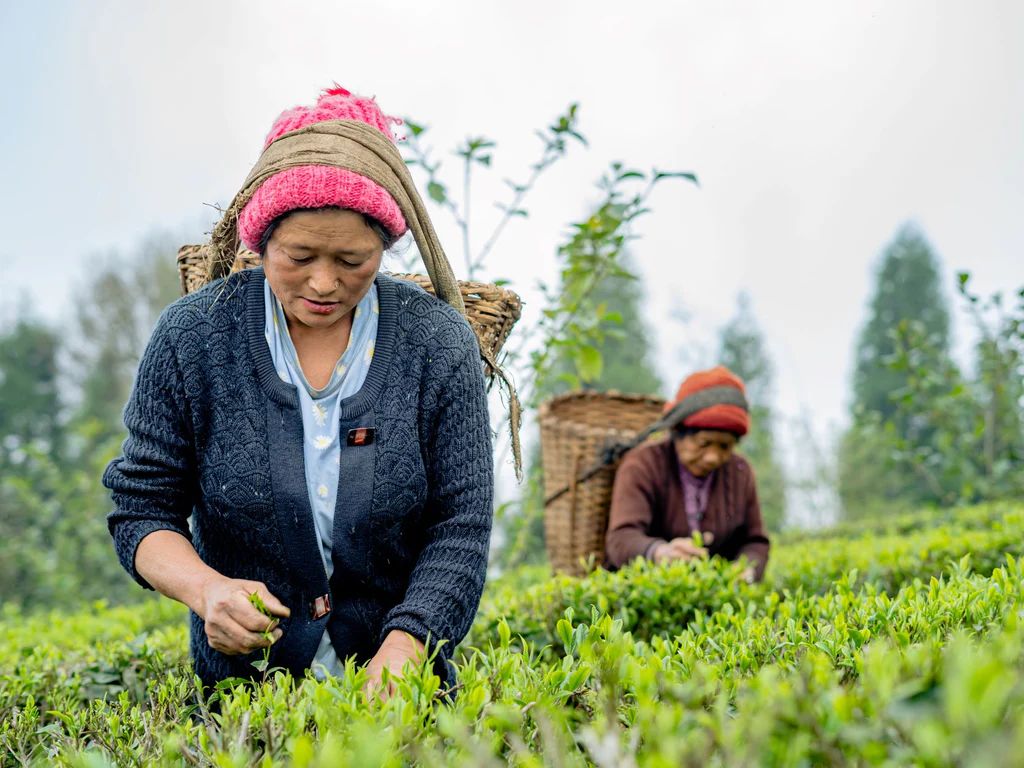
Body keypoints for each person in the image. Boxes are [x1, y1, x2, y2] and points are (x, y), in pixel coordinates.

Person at [103, 86, 494, 694]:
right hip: (246, 703)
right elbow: (141, 507)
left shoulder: (436, 341)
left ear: (384, 247)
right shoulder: (193, 337)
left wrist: (410, 642)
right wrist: (208, 591)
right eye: (300, 255)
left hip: (405, 705)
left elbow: (460, 525)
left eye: (353, 260)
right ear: (260, 242)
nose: (324, 282)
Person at [604, 366, 770, 581]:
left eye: (725, 446)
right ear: (677, 434)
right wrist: (659, 552)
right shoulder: (643, 464)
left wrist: (746, 570)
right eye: (704, 443)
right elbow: (621, 538)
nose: (713, 457)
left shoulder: (740, 472)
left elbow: (755, 540)